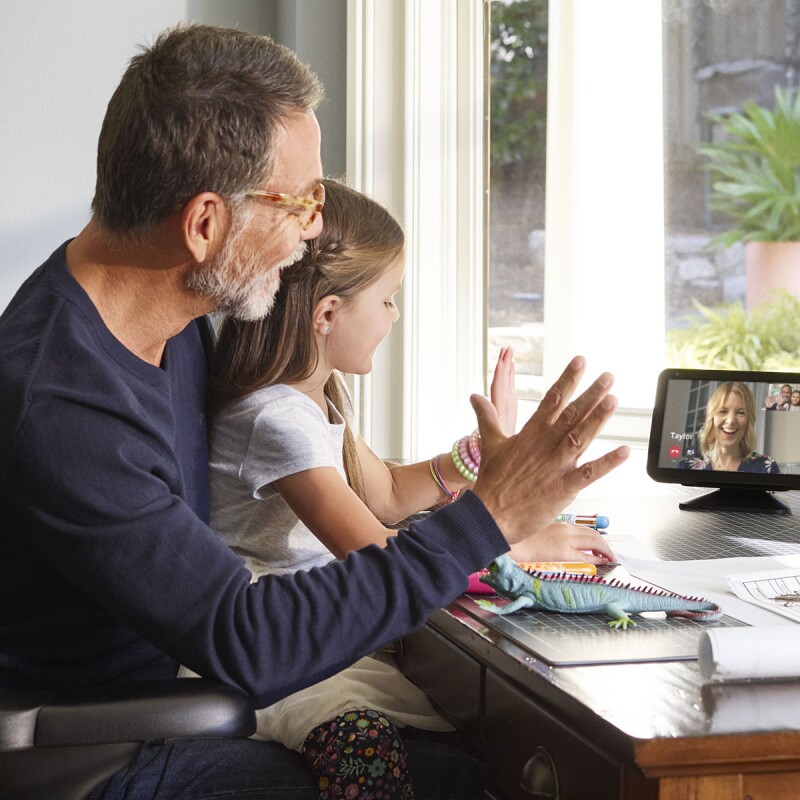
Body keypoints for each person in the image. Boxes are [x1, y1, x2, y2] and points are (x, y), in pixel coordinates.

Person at [0, 24, 629, 800]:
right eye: (300, 203)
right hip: (98, 753)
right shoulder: (62, 403)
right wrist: (491, 516)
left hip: (168, 695)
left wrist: (470, 481)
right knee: (473, 782)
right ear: (204, 226)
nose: (312, 229)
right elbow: (249, 636)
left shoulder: (169, 315)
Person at [203, 179, 617, 799]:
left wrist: (478, 459)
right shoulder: (278, 420)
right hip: (283, 644)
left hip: (317, 625)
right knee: (368, 747)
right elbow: (374, 552)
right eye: (389, 299)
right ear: (327, 316)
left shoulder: (313, 394)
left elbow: (387, 493)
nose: (395, 316)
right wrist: (511, 539)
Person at [679, 382, 780, 473]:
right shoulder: (686, 468)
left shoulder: (767, 467)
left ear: (749, 420)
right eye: (723, 411)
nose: (731, 421)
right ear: (712, 418)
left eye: (740, 413)